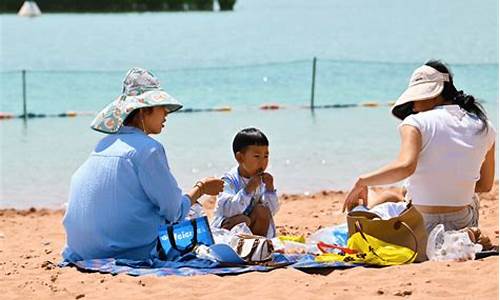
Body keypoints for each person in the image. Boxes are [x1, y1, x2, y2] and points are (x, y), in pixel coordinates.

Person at [62, 67, 224, 261]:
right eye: (161, 107)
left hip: (83, 250)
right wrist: (201, 188)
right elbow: (174, 211)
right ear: (144, 111)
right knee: (193, 213)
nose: (166, 113)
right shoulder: (149, 149)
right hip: (127, 251)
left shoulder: (104, 144)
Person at [343, 60, 496, 233]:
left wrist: (362, 181)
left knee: (372, 203)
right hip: (462, 223)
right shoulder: (485, 126)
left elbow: (405, 167)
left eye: (416, 97)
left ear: (434, 94)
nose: (413, 106)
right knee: (469, 198)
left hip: (420, 226)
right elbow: (485, 185)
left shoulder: (416, 122)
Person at [211, 128, 280, 238]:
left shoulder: (262, 180)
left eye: (266, 156)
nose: (262, 162)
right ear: (240, 157)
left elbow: (271, 211)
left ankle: (258, 246)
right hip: (227, 231)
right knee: (243, 220)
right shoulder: (229, 180)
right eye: (257, 156)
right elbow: (229, 211)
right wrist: (247, 190)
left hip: (250, 229)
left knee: (262, 211)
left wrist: (270, 190)